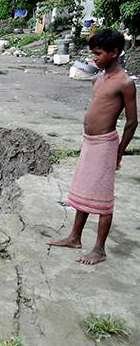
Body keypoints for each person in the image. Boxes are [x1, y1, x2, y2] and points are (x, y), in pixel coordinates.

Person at [48, 28, 137, 265]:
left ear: (114, 52)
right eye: (93, 54)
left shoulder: (125, 83)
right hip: (90, 142)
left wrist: (119, 152)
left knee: (103, 197)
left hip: (106, 144)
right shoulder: (98, 78)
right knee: (84, 189)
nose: (93, 58)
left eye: (98, 54)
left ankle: (99, 249)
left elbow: (132, 121)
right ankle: (75, 237)